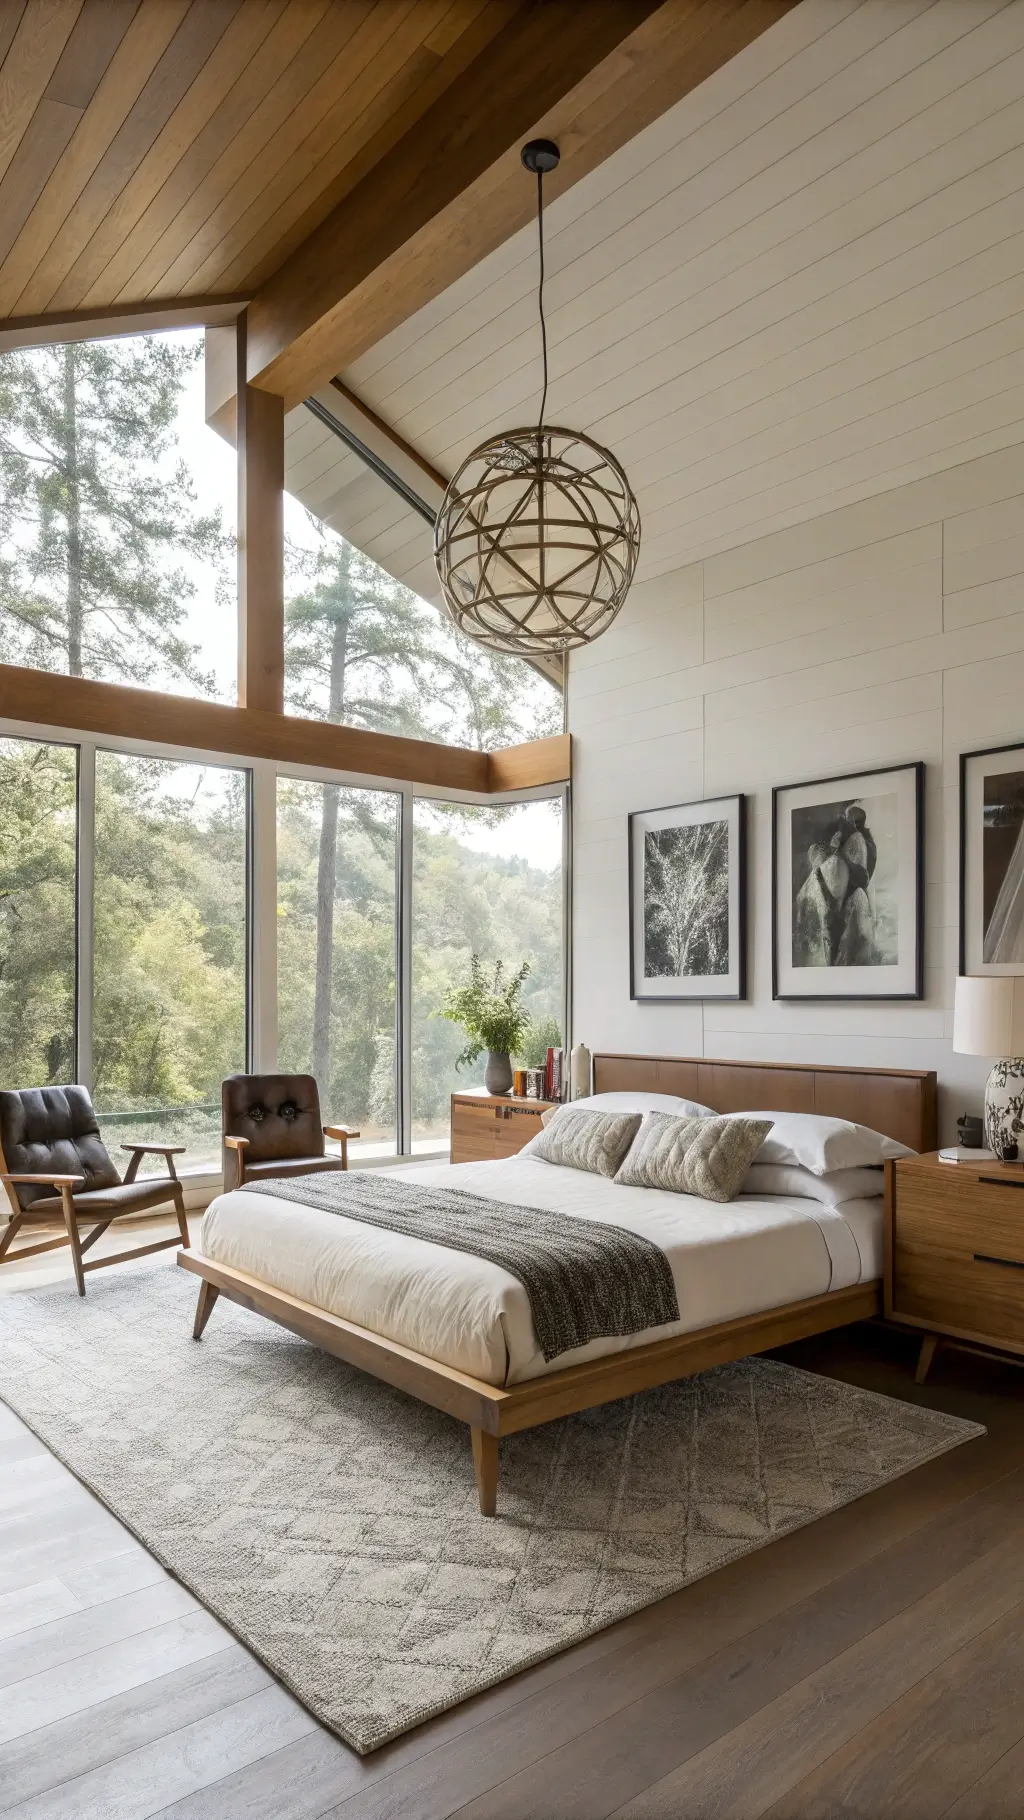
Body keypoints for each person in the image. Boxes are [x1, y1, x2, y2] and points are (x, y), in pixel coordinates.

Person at [794, 803, 877, 967]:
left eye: (856, 822)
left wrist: (840, 854)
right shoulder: (823, 850)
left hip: (847, 895)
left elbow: (863, 878)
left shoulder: (858, 841)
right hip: (830, 895)